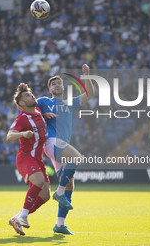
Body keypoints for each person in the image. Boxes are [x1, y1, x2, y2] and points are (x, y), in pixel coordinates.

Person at [36, 64, 94, 235]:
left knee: (70, 184)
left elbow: (90, 95)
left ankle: (59, 224)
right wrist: (42, 114)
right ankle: (58, 192)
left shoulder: (71, 103)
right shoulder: (44, 102)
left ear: (63, 86)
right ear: (49, 89)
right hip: (52, 142)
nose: (56, 85)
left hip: (61, 146)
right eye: (53, 84)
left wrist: (87, 76)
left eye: (59, 83)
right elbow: (26, 107)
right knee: (77, 158)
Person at [7, 83, 51, 236]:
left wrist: (22, 89)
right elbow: (9, 136)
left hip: (38, 159)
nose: (32, 95)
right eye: (27, 95)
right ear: (22, 105)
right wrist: (23, 134)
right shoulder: (22, 118)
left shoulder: (38, 111)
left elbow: (32, 102)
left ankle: (17, 218)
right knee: (39, 181)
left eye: (31, 93)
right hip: (25, 158)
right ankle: (24, 217)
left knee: (46, 195)